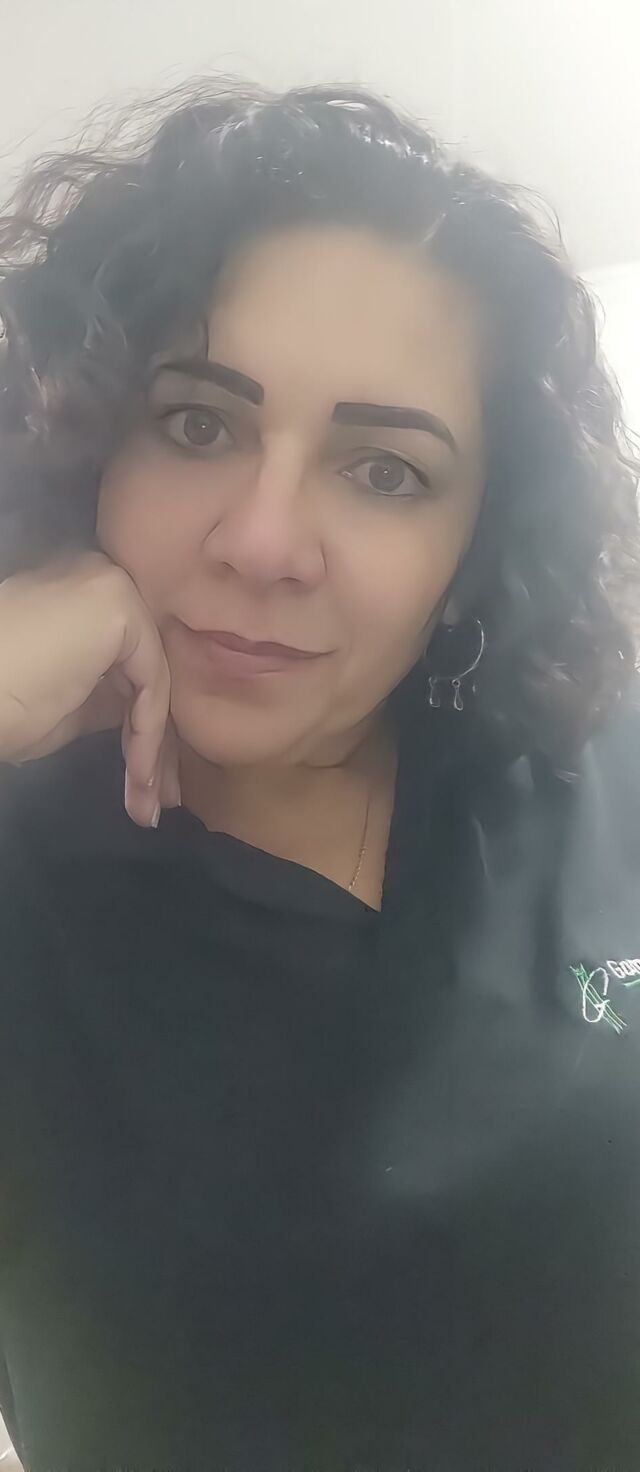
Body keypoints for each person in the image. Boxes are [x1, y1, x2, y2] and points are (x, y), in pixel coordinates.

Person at [0, 75, 639, 1472]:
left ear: (476, 543)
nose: (266, 541)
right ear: (83, 438)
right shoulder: (22, 878)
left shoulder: (595, 763)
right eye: (197, 425)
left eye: (385, 472)